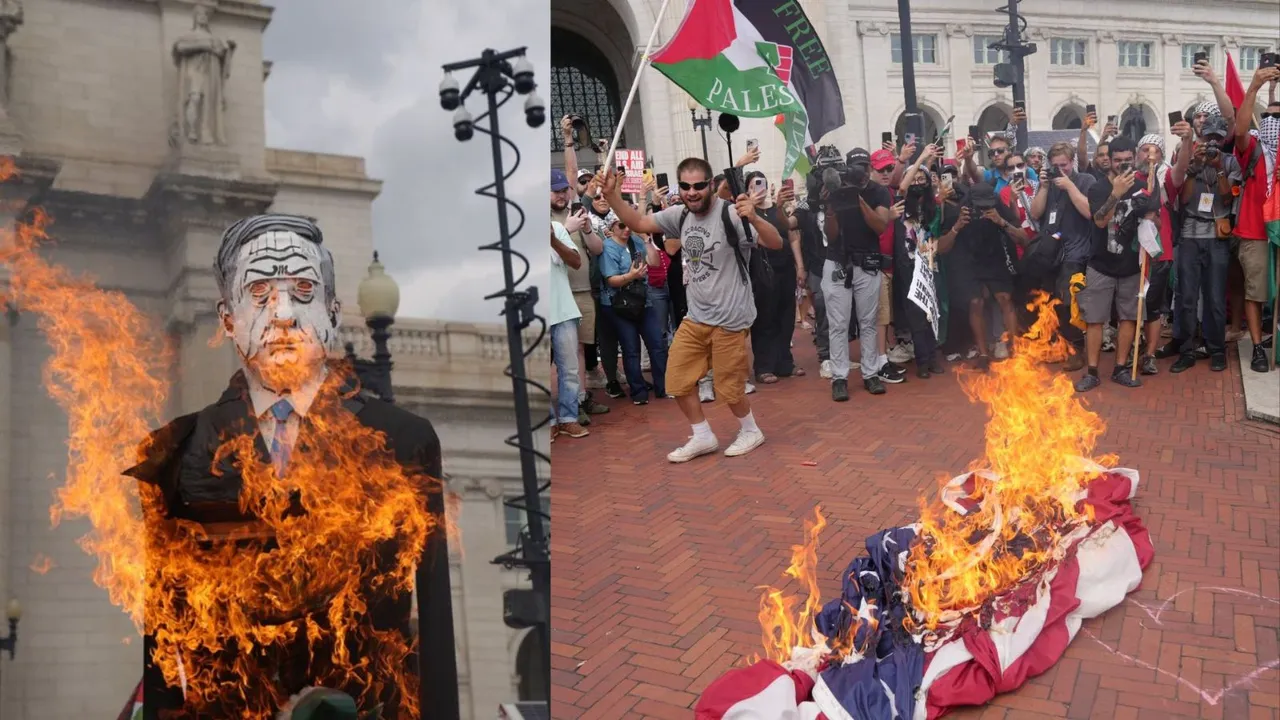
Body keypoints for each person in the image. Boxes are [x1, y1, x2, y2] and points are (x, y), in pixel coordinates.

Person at [128, 215, 458, 718]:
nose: (282, 312)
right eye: (258, 291)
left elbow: (434, 629)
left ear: (331, 310)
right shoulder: (175, 452)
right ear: (227, 319)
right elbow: (163, 638)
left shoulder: (403, 440)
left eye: (302, 289)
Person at [600, 159, 784, 461]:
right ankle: (703, 435)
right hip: (696, 316)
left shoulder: (731, 214)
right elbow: (640, 224)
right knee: (677, 380)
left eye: (699, 186)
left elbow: (775, 243)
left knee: (729, 388)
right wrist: (612, 197)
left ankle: (751, 430)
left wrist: (754, 217)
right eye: (685, 186)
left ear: (711, 185)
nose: (692, 192)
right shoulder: (681, 215)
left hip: (730, 318)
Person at [1074, 137, 1156, 392]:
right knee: (1095, 320)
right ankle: (1092, 371)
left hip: (1132, 264)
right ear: (1109, 160)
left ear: (1134, 158)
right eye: (1117, 160)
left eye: (1127, 160)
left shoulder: (1144, 185)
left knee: (1128, 317)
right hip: (1100, 264)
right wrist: (1116, 194)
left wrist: (1149, 218)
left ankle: (1121, 367)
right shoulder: (1097, 188)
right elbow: (1099, 221)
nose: (1122, 165)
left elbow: (1153, 218)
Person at [821, 148, 894, 401]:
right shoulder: (837, 191)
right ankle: (839, 377)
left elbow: (880, 225)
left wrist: (857, 198)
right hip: (838, 262)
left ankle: (871, 373)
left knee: (868, 321)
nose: (861, 173)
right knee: (838, 323)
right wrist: (832, 205)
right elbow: (830, 235)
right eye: (857, 168)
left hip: (868, 263)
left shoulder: (878, 191)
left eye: (864, 167)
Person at [1168, 114, 1236, 373]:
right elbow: (1184, 199)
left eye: (1219, 139)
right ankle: (1186, 350)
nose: (1213, 144)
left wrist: (1218, 167)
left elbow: (1227, 198)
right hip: (1190, 236)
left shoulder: (1229, 162)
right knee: (1186, 297)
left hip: (1217, 236)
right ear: (1202, 137)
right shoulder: (1191, 161)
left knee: (1215, 297)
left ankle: (1216, 349)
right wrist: (1194, 170)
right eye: (1209, 138)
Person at [944, 181, 1027, 371]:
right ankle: (982, 353)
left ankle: (1016, 349)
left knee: (1005, 298)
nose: (983, 209)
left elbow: (1023, 239)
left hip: (994, 259)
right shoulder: (959, 211)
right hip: (968, 262)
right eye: (979, 205)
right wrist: (958, 226)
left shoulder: (999, 209)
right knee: (976, 302)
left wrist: (1001, 222)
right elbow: (941, 247)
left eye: (986, 204)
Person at [1030, 141, 1096, 370]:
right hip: (1050, 252)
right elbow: (1036, 212)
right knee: (1050, 301)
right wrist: (1044, 187)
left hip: (1076, 251)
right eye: (1055, 165)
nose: (1060, 169)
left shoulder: (1085, 180)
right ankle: (1059, 346)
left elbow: (1090, 212)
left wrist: (1069, 186)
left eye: (1064, 165)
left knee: (1070, 303)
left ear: (1072, 162)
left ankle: (1077, 351)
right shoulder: (1049, 184)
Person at [1231, 65, 1280, 372]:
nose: (1274, 122)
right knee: (1256, 292)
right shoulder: (1253, 150)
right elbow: (1238, 131)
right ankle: (1258, 347)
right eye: (1270, 117)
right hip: (1255, 233)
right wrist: (1254, 89)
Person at [599, 211, 668, 404]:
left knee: (657, 343)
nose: (627, 229)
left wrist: (647, 239)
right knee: (631, 349)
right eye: (621, 225)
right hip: (620, 305)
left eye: (629, 224)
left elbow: (654, 263)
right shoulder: (608, 247)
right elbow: (611, 280)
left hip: (642, 301)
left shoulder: (636, 242)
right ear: (612, 226)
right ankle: (638, 392)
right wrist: (631, 276)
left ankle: (663, 386)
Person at [746, 171, 805, 383]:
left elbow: (793, 236)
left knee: (786, 317)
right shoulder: (747, 213)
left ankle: (784, 363)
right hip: (761, 270)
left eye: (762, 184)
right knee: (764, 319)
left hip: (785, 268)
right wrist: (750, 206)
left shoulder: (776, 210)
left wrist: (800, 266)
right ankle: (764, 366)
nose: (759, 189)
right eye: (754, 185)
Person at [550, 220, 588, 440]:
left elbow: (576, 261)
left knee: (570, 370)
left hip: (564, 311)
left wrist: (552, 239)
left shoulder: (558, 227)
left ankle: (568, 419)